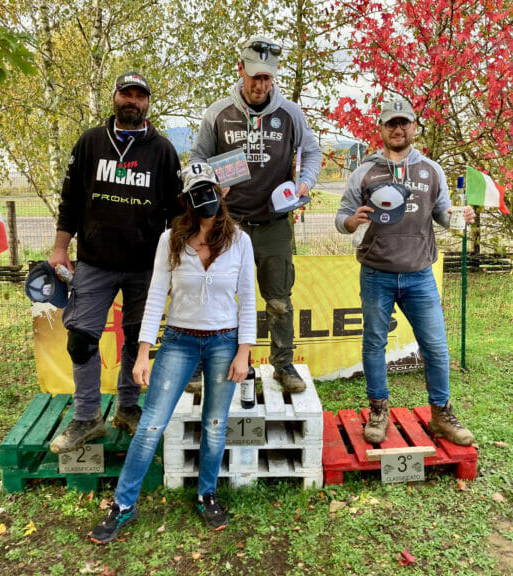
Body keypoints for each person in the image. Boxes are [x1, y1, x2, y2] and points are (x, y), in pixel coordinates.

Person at [90, 162, 256, 544]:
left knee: (215, 425)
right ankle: (123, 504)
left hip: (224, 341)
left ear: (223, 191)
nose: (207, 198)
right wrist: (143, 352)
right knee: (150, 425)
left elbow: (248, 299)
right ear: (187, 199)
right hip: (179, 339)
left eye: (211, 188)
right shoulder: (171, 240)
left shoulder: (241, 242)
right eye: (198, 191)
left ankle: (206, 493)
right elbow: (155, 297)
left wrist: (243, 351)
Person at [48, 71, 182, 454]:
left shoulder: (163, 151)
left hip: (146, 266)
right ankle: (87, 418)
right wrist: (60, 248)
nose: (133, 101)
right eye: (127, 94)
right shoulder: (90, 143)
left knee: (137, 338)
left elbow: (176, 214)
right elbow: (69, 201)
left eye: (140, 96)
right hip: (94, 262)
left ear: (147, 103)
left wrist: (175, 265)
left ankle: (127, 407)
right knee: (81, 339)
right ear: (114, 97)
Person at [335, 99, 476, 446]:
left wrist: (459, 217)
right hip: (377, 273)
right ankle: (379, 411)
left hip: (419, 275)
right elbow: (342, 218)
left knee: (437, 348)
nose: (398, 129)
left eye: (404, 123)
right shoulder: (364, 172)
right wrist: (353, 220)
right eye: (391, 124)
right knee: (374, 344)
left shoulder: (431, 170)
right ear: (381, 129)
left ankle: (441, 414)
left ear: (414, 127)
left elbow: (442, 214)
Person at [189, 35, 321, 394]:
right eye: (255, 76)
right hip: (227, 222)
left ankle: (283, 365)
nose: (261, 84)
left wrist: (306, 181)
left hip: (274, 224)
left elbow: (311, 151)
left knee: (278, 300)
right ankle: (205, 366)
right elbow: (197, 158)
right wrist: (210, 181)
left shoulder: (290, 113)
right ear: (241, 70)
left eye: (268, 77)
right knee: (214, 295)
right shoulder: (218, 113)